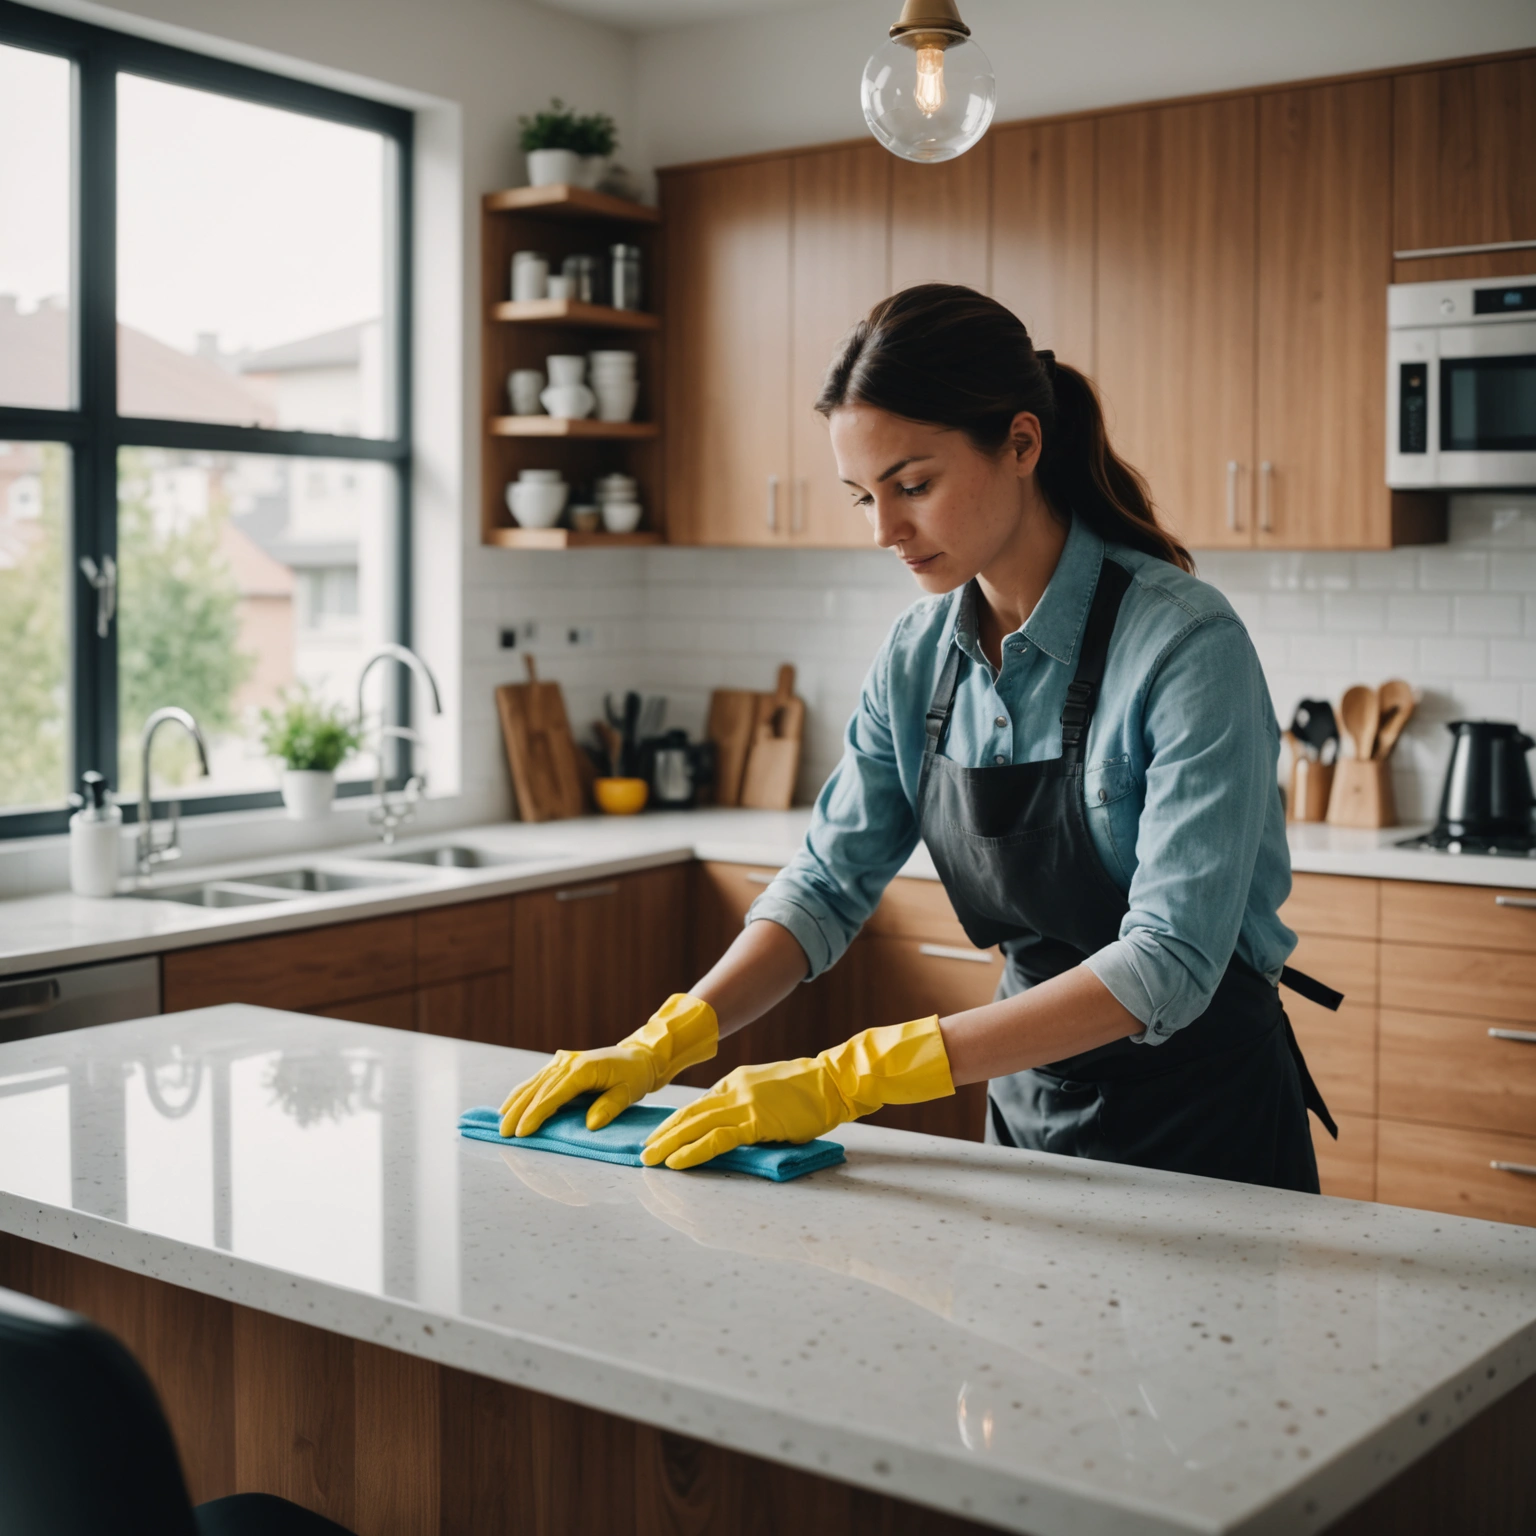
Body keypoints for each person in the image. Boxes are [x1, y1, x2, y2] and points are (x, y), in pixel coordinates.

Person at [500, 283, 1337, 1192]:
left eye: (914, 485)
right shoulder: (918, 654)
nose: (884, 531)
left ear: (1022, 443)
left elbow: (1168, 961)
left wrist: (854, 1075)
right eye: (863, 496)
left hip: (1206, 1126)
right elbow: (826, 883)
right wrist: (664, 1040)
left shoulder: (1184, 643)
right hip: (1026, 1111)